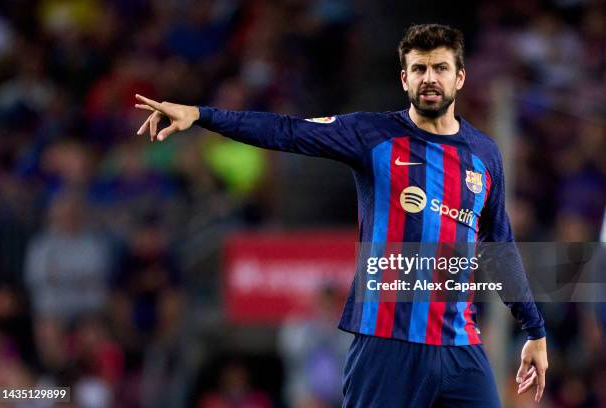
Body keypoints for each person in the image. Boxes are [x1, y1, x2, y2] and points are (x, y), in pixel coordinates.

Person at [135, 24, 548, 408]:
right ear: (404, 79)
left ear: (459, 77)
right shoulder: (372, 135)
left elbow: (500, 246)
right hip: (387, 345)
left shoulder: (485, 154)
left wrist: (534, 330)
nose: (429, 78)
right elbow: (287, 131)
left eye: (440, 67)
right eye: (418, 68)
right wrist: (202, 115)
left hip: (462, 348)